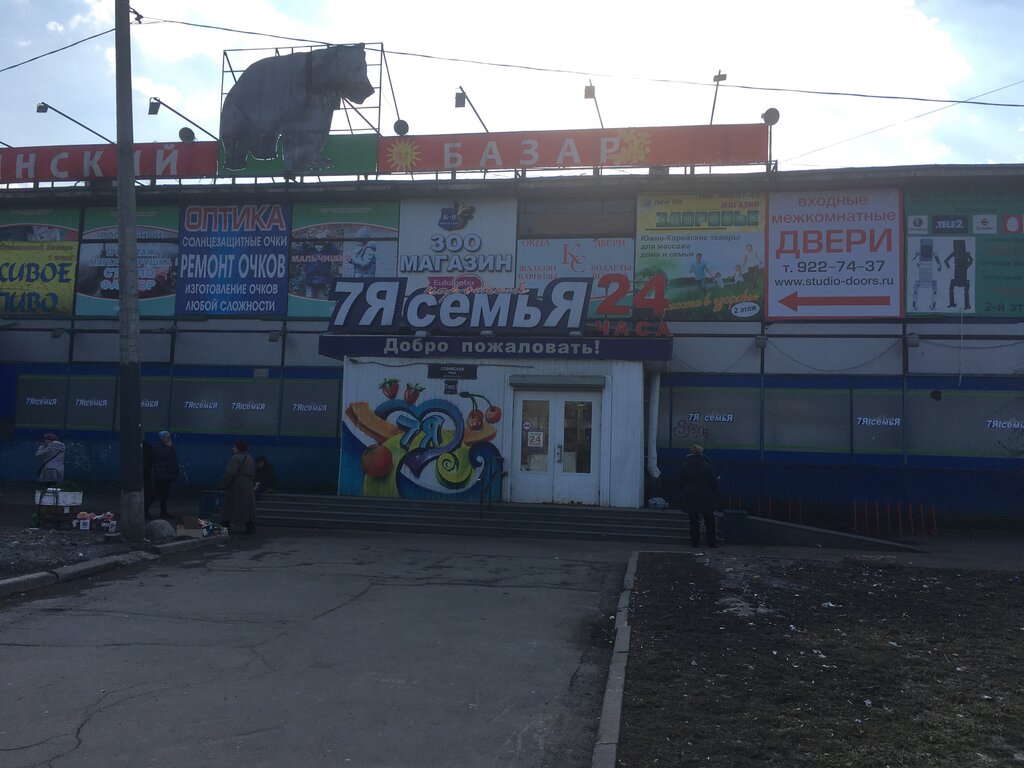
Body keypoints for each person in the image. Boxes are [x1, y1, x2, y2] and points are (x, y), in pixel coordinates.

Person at [677, 444, 718, 548]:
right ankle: (712, 542)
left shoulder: (685, 466)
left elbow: (680, 482)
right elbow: (713, 482)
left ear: (690, 453)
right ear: (701, 453)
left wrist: (684, 491)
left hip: (690, 496)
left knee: (693, 520)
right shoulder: (707, 466)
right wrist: (714, 492)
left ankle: (695, 542)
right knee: (709, 520)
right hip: (705, 495)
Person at [221, 440, 257, 534]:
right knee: (248, 506)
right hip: (248, 484)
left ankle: (225, 526)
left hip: (237, 484)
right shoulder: (249, 457)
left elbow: (231, 472)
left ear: (238, 448)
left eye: (234, 447)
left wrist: (225, 483)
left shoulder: (235, 458)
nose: (233, 448)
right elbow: (253, 472)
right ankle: (250, 526)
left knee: (230, 506)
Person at [150, 431, 180, 519]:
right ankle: (146, 508)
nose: (169, 439)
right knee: (157, 493)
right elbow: (164, 456)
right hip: (161, 475)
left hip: (165, 474)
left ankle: (163, 512)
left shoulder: (166, 446)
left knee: (164, 494)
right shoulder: (159, 446)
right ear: (162, 438)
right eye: (167, 437)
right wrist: (168, 447)